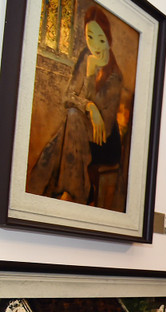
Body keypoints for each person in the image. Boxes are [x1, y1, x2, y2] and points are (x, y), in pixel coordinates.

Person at [26, 5, 124, 206]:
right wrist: (88, 104)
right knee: (72, 116)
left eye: (101, 39)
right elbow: (67, 96)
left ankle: (70, 192)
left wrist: (88, 96)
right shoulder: (85, 57)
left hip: (104, 140)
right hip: (78, 128)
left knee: (70, 121)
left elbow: (102, 127)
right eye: (89, 37)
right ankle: (73, 191)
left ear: (109, 38)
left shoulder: (115, 75)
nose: (95, 45)